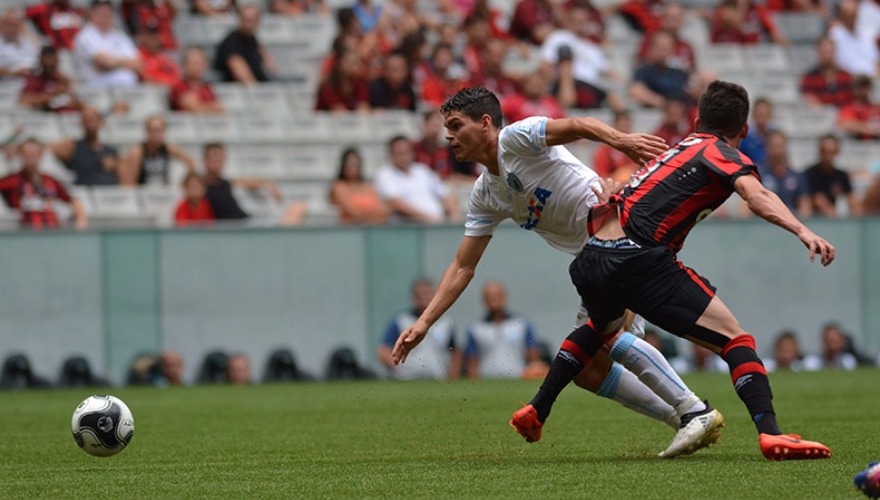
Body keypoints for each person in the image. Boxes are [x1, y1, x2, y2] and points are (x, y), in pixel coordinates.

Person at [391, 86, 723, 459]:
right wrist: (424, 322)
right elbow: (463, 266)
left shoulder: (515, 139)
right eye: (445, 127)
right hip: (594, 258)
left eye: (455, 125)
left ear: (485, 123)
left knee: (608, 335)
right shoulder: (485, 193)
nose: (447, 135)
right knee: (589, 371)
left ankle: (694, 410)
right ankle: (687, 416)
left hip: (620, 234)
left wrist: (624, 141)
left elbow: (578, 124)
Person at [517, 80, 833, 461]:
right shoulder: (719, 151)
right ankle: (770, 434)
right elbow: (757, 196)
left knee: (599, 328)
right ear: (744, 131)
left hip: (592, 254)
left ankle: (537, 408)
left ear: (698, 119)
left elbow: (622, 202)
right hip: (637, 258)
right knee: (735, 340)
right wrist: (803, 229)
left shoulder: (674, 152)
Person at [201, 142, 307, 226]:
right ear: (205, 159)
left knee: (298, 207)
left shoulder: (227, 182)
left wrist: (270, 184)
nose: (217, 162)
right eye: (213, 158)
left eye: (220, 158)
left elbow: (254, 182)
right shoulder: (201, 185)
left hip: (246, 222)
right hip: (231, 228)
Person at [378, 277, 460, 380]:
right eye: (421, 294)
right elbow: (383, 350)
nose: (424, 297)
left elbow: (455, 351)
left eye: (427, 293)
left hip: (438, 379)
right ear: (414, 297)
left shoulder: (446, 322)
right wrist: (396, 368)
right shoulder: (401, 320)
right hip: (407, 380)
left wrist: (452, 376)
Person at [0, 137, 88, 230]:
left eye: (33, 155)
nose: (30, 159)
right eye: (26, 155)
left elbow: (73, 200)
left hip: (51, 233)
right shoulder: (13, 180)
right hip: (26, 233)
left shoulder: (49, 180)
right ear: (20, 156)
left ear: (40, 156)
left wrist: (81, 219)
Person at [464, 281, 546, 379]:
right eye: (489, 297)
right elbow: (472, 359)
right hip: (486, 379)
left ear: (504, 297)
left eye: (497, 296)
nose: (493, 300)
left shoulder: (521, 324)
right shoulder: (476, 327)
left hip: (517, 377)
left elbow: (532, 353)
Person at [375, 135, 459, 224]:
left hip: (436, 224)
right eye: (399, 153)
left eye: (406, 152)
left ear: (412, 153)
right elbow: (395, 204)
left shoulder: (422, 170)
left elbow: (446, 195)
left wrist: (453, 218)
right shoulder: (385, 174)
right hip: (408, 228)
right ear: (391, 155)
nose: (403, 157)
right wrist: (428, 219)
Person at [73, 0, 141, 88]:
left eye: (108, 14)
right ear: (92, 14)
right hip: (97, 89)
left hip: (128, 88)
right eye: (101, 13)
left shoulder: (120, 36)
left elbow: (138, 64)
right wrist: (125, 63)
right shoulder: (85, 36)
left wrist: (112, 63)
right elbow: (103, 62)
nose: (105, 17)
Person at [49, 106, 120, 186]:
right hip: (84, 191)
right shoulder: (73, 147)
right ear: (81, 123)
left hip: (109, 190)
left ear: (101, 122)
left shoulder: (111, 152)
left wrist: (116, 165)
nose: (90, 124)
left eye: (93, 120)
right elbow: (49, 148)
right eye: (87, 120)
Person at [120, 116, 197, 187]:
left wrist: (182, 184)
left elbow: (190, 162)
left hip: (164, 192)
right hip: (144, 194)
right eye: (154, 131)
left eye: (160, 131)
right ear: (147, 132)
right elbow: (129, 182)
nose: (157, 135)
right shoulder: (138, 151)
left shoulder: (168, 148)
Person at [213, 6, 278, 84]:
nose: (250, 23)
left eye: (253, 19)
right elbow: (237, 67)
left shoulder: (253, 39)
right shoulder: (232, 41)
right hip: (239, 90)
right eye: (247, 19)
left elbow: (270, 65)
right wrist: (258, 92)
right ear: (240, 19)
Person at [755, 131, 811, 218]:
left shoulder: (797, 176)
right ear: (767, 148)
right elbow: (747, 205)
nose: (777, 150)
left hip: (790, 223)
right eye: (773, 146)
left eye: (780, 146)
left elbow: (805, 207)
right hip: (765, 223)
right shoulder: (757, 174)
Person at [804, 134, 862, 217]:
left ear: (837, 152)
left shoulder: (841, 175)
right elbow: (818, 200)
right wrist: (836, 218)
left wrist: (858, 217)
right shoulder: (810, 174)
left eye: (831, 152)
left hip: (832, 216)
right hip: (816, 218)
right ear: (819, 151)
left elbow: (851, 198)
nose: (828, 156)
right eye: (825, 152)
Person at [329, 147, 389, 225]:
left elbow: (384, 212)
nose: (352, 168)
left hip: (372, 230)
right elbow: (352, 212)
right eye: (349, 164)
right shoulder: (339, 187)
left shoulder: (368, 187)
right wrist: (373, 215)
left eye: (355, 164)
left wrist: (364, 216)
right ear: (343, 166)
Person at [18, 45, 81, 113]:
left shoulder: (63, 80)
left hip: (65, 116)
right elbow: (23, 101)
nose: (49, 63)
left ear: (57, 61)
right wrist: (53, 94)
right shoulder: (35, 81)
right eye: (46, 61)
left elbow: (77, 102)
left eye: (52, 61)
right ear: (41, 61)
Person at [800, 37, 854, 108]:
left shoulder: (846, 77)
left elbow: (852, 100)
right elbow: (809, 101)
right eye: (824, 52)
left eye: (829, 51)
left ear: (835, 52)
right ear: (818, 52)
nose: (827, 56)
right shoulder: (809, 78)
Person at [169, 47, 225, 113]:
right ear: (184, 64)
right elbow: (193, 107)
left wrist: (202, 106)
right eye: (193, 63)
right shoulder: (179, 86)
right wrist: (210, 108)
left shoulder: (207, 87)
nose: (196, 67)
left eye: (200, 63)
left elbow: (220, 109)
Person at [593, 109, 639, 183]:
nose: (625, 127)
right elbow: (601, 175)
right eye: (622, 124)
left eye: (627, 123)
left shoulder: (638, 146)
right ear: (615, 125)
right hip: (615, 185)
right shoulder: (606, 149)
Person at [0, 7, 39, 83]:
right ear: (1, 24)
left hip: (35, 83)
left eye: (16, 24)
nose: (12, 28)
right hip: (9, 85)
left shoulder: (29, 42)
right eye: (9, 25)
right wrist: (14, 73)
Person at [838, 75, 880, 140]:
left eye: (866, 86)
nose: (864, 90)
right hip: (860, 143)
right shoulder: (849, 108)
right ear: (853, 89)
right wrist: (872, 130)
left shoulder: (876, 107)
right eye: (860, 86)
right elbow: (847, 124)